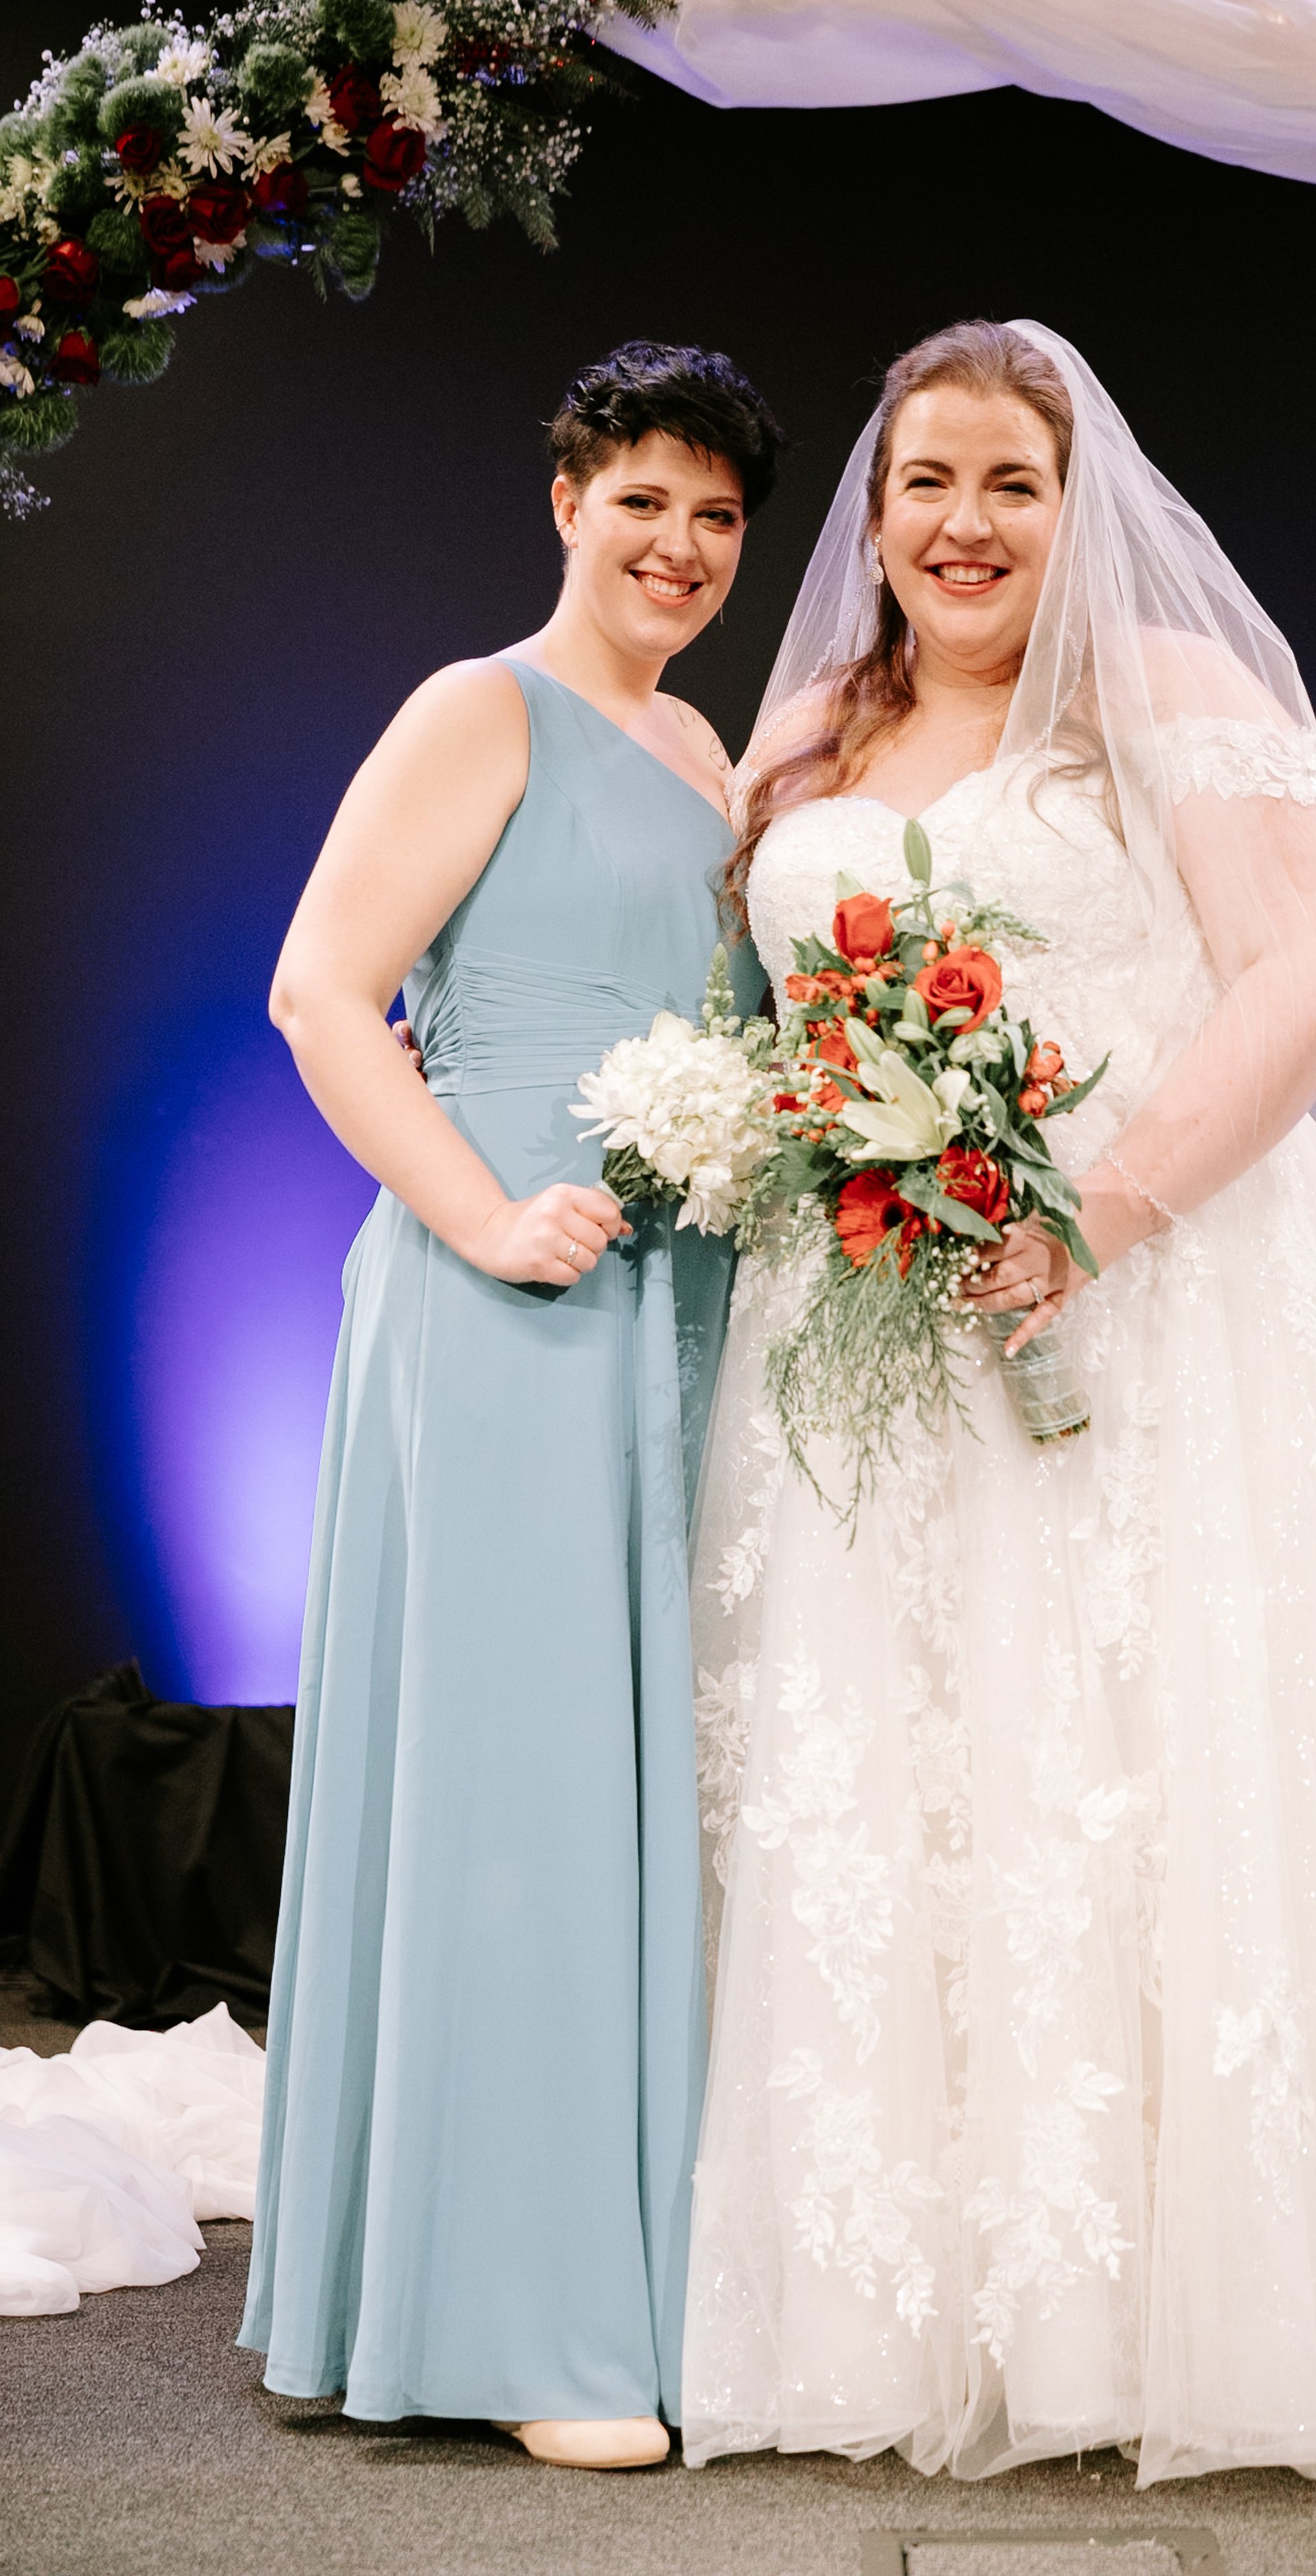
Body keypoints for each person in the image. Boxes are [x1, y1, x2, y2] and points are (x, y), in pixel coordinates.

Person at [681, 320, 1316, 2492]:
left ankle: (1211, 2287)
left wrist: (1103, 1207)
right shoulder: (807, 733)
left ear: (1079, 513)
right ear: (874, 511)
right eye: (926, 482)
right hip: (865, 1336)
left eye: (1011, 485)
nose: (964, 525)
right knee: (915, 1778)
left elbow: (1310, 975)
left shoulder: (1162, 695)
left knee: (1146, 1762)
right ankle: (926, 2290)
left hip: (1152, 1305)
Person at [240, 341, 780, 2468]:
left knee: (630, 1797)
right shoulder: (481, 709)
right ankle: (518, 2329)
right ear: (567, 499)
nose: (678, 547)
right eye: (641, 499)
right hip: (507, 1295)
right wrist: (479, 1217)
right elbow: (318, 990)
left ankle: (624, 2281)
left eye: (715, 517)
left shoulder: (704, 747)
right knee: (522, 1799)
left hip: (665, 1292)